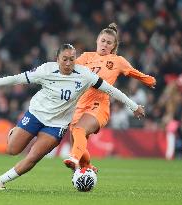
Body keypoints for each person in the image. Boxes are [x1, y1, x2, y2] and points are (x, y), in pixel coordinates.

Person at [0, 44, 145, 190]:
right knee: (12, 150)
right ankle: (16, 132)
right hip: (36, 114)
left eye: (72, 59)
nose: (68, 63)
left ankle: (0, 182)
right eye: (64, 59)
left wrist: (133, 106)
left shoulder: (85, 75)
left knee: (33, 157)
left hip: (57, 124)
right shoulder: (45, 70)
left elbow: (111, 90)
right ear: (57, 59)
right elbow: (16, 79)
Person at [64, 23, 156, 171]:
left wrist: (148, 80)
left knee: (79, 130)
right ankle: (86, 165)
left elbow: (133, 72)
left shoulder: (117, 60)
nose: (104, 45)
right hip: (79, 104)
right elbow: (69, 69)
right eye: (102, 41)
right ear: (97, 41)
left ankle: (74, 159)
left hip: (98, 105)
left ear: (113, 46)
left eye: (108, 42)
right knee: (77, 139)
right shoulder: (87, 56)